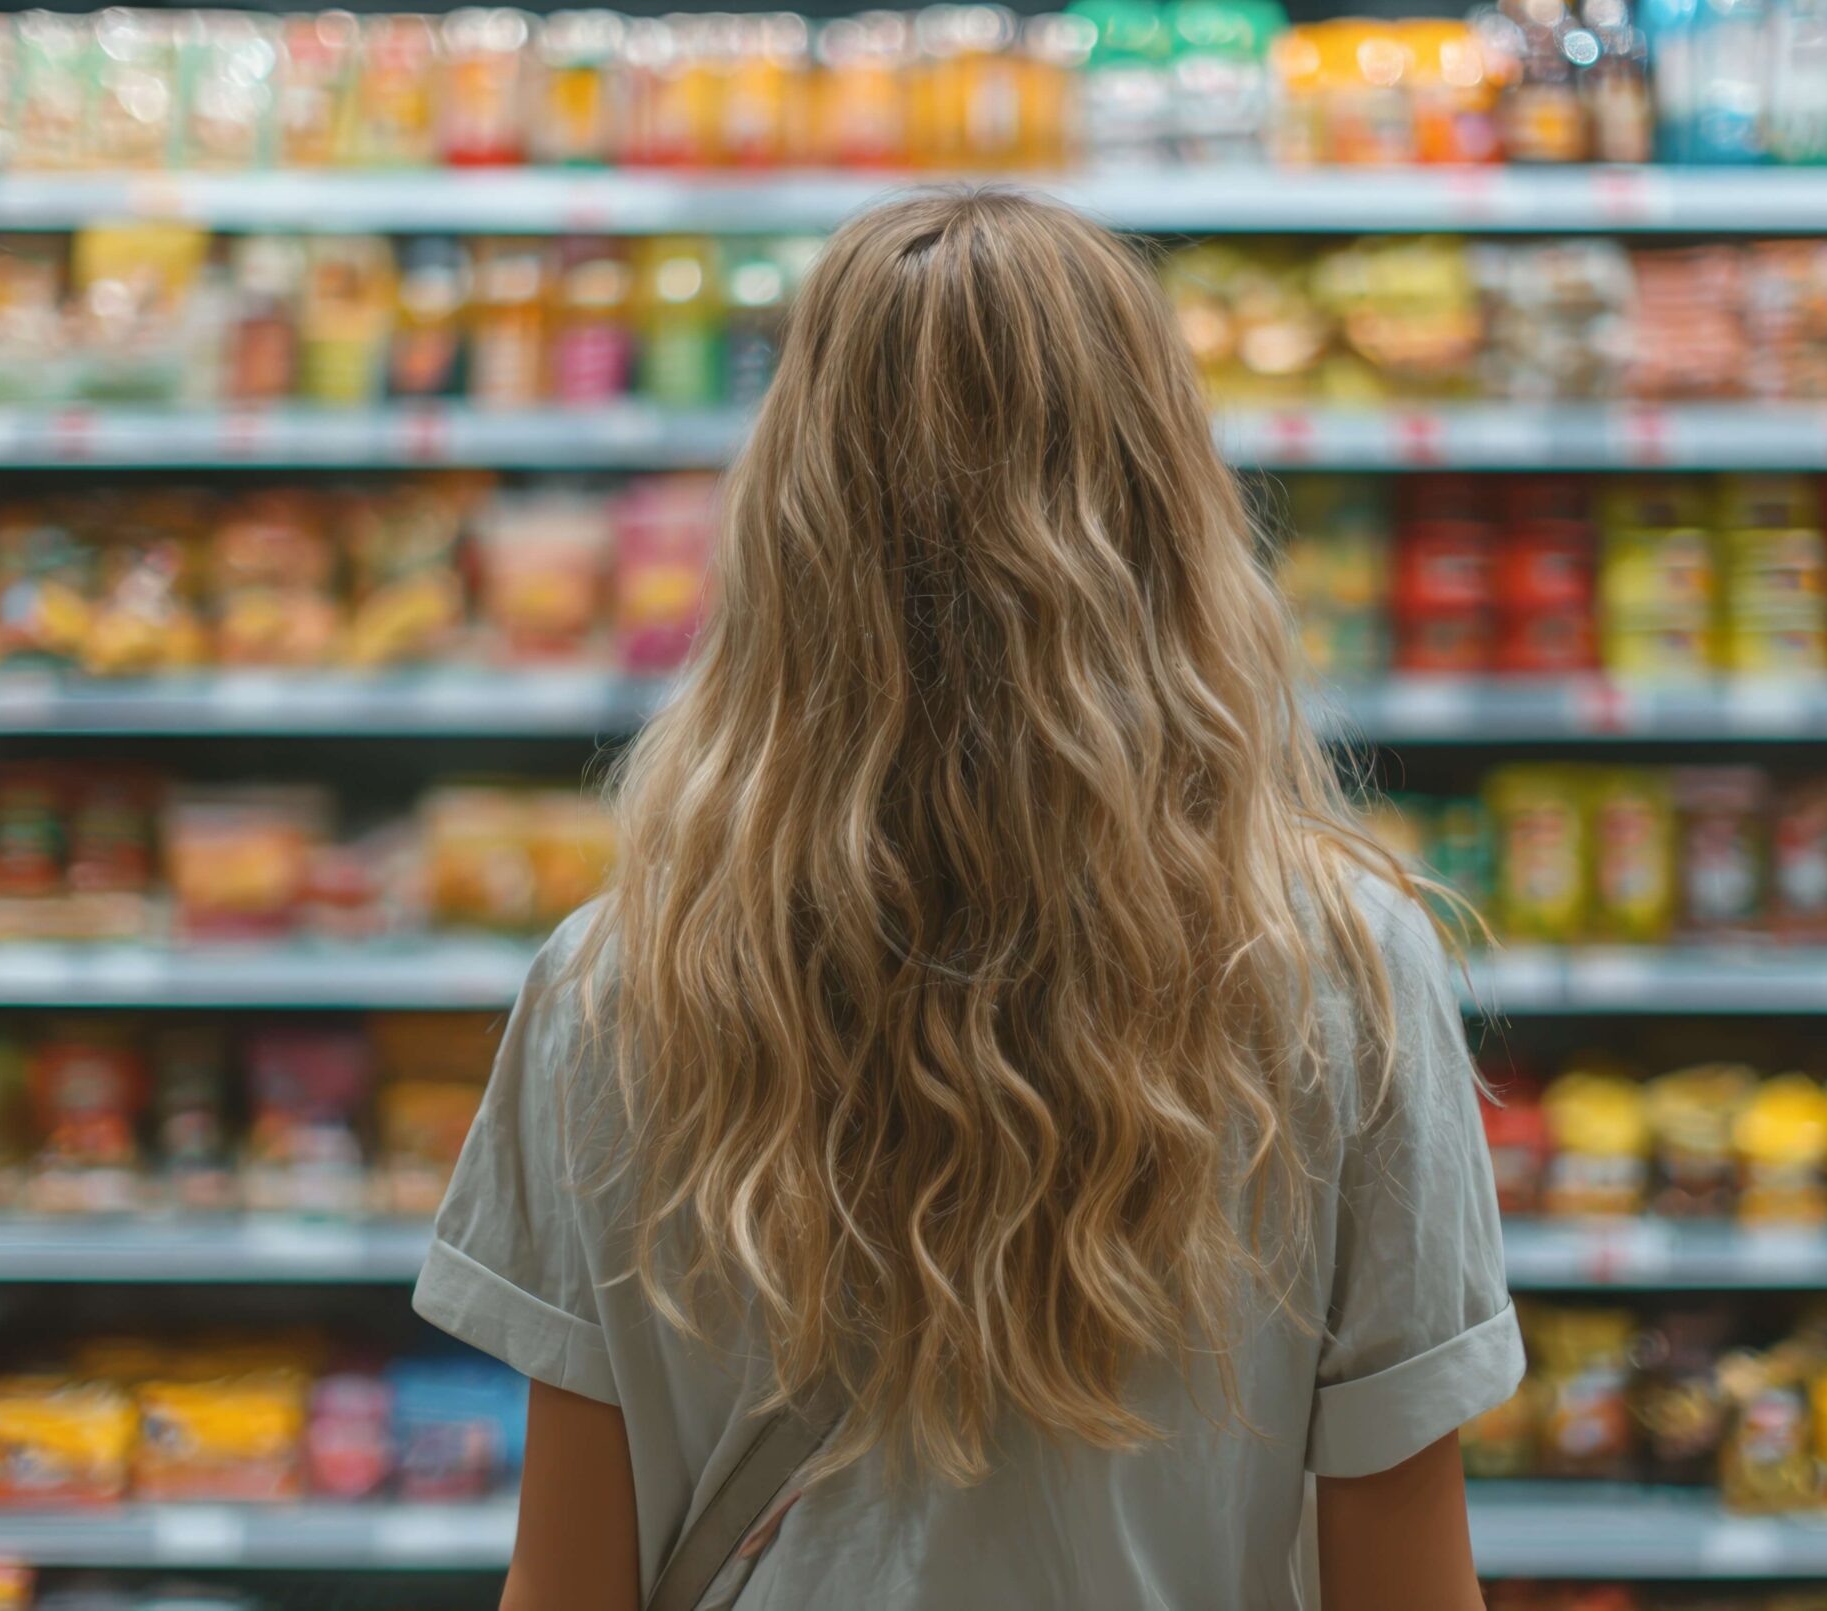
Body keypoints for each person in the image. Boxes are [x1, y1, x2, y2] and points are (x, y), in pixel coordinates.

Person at [415, 188, 1522, 1611]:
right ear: (1168, 506)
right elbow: (1407, 1580)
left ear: (791, 515)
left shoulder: (624, 981)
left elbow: (569, 1578)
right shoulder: (1340, 971)